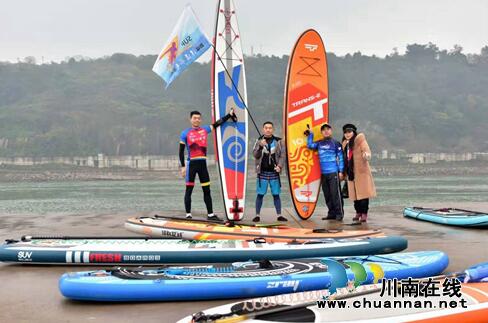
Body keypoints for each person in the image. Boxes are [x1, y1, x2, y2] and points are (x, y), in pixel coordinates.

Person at [179, 109, 237, 219]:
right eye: (194, 118)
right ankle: (188, 215)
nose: (197, 120)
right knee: (189, 190)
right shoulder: (185, 133)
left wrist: (229, 115)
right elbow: (181, 151)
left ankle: (210, 214)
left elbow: (218, 123)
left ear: (200, 120)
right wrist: (182, 167)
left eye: (198, 118)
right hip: (191, 164)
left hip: (202, 165)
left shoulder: (205, 129)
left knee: (207, 189)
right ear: (190, 119)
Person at [305, 123, 345, 221]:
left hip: (333, 172)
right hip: (323, 173)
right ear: (322, 132)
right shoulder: (319, 143)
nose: (326, 131)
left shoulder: (336, 143)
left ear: (331, 131)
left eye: (328, 129)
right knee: (327, 194)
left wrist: (341, 171)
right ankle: (331, 213)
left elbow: (341, 158)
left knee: (335, 194)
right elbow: (310, 145)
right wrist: (311, 134)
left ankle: (339, 214)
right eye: (324, 130)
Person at [252, 121, 287, 223]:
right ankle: (257, 215)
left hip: (274, 173)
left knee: (276, 194)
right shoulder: (259, 140)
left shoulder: (279, 141)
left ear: (273, 129)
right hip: (262, 172)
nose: (268, 129)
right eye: (266, 128)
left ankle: (279, 215)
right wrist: (260, 146)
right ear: (263, 129)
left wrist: (279, 166)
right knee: (260, 194)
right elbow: (255, 155)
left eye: (270, 128)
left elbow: (283, 155)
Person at [342, 124, 376, 223]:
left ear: (354, 132)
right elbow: (345, 158)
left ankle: (364, 214)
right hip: (351, 173)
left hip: (362, 172)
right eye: (345, 132)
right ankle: (358, 212)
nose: (347, 134)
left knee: (363, 195)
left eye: (349, 132)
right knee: (355, 196)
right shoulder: (345, 144)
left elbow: (367, 151)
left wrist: (366, 155)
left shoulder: (360, 140)